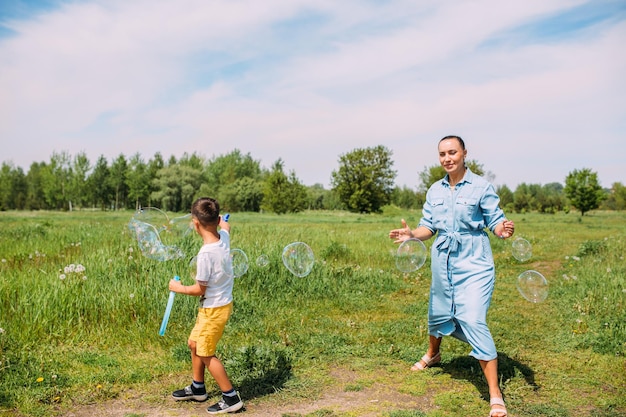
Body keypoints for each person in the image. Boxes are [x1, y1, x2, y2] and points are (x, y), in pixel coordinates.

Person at [389, 135, 513, 417]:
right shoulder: (435, 190)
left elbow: (495, 219)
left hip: (474, 260)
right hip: (443, 258)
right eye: (442, 153)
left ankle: (495, 393)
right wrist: (412, 235)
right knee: (438, 309)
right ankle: (433, 354)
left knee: (473, 318)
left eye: (453, 152)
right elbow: (428, 227)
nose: (447, 158)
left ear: (464, 153)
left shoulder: (482, 186)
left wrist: (502, 229)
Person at [169, 197, 244, 414]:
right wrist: (224, 223)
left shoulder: (205, 255)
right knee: (194, 343)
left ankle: (231, 398)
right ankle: (198, 387)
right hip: (215, 307)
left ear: (196, 223)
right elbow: (227, 227)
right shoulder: (224, 239)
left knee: (206, 353)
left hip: (213, 309)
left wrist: (177, 287)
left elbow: (199, 289)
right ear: (217, 219)